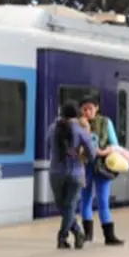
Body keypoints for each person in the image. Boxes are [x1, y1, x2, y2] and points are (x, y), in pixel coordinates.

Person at [46, 100, 95, 249]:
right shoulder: (80, 130)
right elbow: (92, 153)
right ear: (77, 115)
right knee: (70, 206)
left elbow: (48, 143)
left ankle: (74, 234)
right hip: (75, 172)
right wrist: (83, 157)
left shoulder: (52, 129)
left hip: (55, 172)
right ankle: (65, 236)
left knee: (64, 207)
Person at [79, 97, 124, 246]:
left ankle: (109, 236)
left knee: (103, 200)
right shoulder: (79, 124)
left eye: (90, 108)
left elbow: (115, 145)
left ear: (96, 108)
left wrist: (102, 152)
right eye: (84, 109)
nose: (87, 112)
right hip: (84, 166)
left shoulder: (106, 123)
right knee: (85, 200)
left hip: (102, 167)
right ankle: (87, 234)